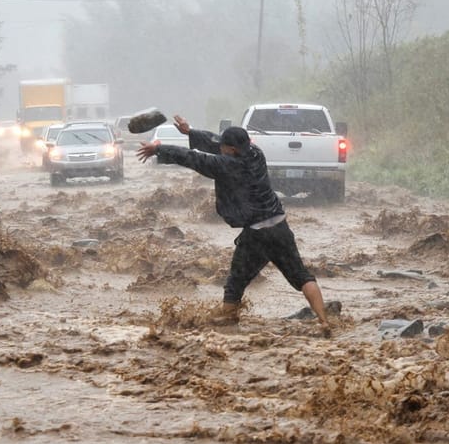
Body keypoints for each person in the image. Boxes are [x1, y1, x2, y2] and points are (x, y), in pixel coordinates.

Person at [137, 115, 333, 331]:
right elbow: (214, 143)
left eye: (224, 147)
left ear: (231, 149)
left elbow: (192, 158)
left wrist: (158, 149)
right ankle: (324, 321)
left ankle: (227, 329)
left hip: (256, 233)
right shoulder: (256, 153)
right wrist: (190, 132)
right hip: (280, 226)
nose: (220, 148)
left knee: (235, 284)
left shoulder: (227, 165)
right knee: (303, 276)